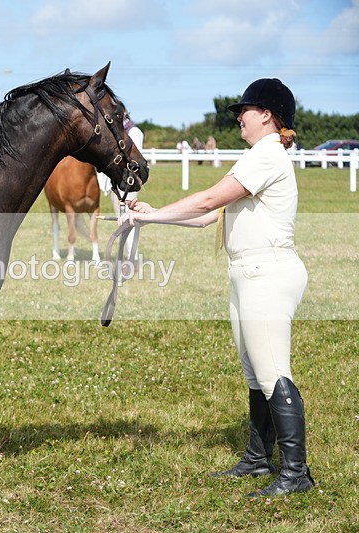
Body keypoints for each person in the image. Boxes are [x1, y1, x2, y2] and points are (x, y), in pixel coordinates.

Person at [119, 78, 314, 498]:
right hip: (247, 271)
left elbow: (208, 201)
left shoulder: (266, 155)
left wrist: (147, 220)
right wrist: (156, 213)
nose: (239, 118)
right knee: (254, 371)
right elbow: (210, 217)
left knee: (272, 371)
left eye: (244, 110)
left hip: (267, 271)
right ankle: (259, 458)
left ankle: (296, 474)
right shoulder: (257, 157)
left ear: (266, 115)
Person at [98, 111, 143, 258]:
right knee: (126, 219)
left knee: (126, 220)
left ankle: (131, 256)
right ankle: (130, 255)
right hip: (123, 180)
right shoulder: (131, 131)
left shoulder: (132, 132)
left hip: (126, 182)